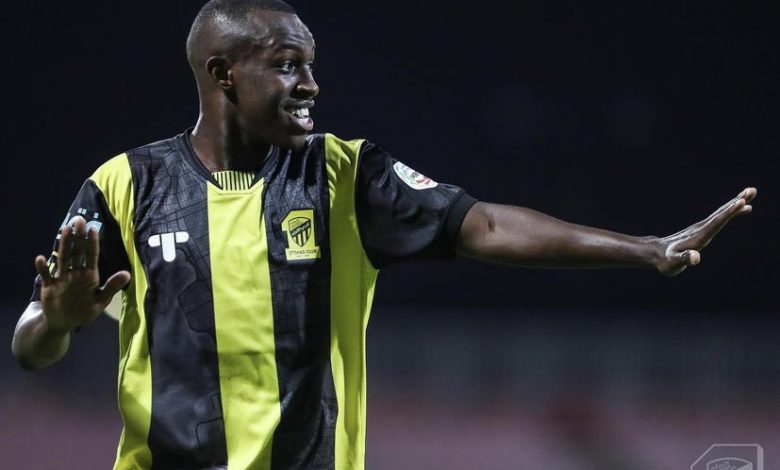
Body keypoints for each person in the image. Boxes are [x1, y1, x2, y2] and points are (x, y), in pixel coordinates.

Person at [11, 0, 756, 469]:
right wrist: (59, 321)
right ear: (223, 73)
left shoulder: (343, 174)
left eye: (311, 66)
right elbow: (29, 348)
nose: (310, 85)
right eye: (287, 66)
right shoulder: (125, 185)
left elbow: (485, 223)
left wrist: (645, 249)